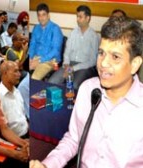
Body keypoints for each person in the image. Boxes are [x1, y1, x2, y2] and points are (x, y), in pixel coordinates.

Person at [30, 16, 143, 168]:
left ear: (135, 64)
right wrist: (47, 165)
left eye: (115, 57)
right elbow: (74, 139)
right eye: (101, 53)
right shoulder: (88, 89)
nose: (103, 63)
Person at [48, 5, 99, 90]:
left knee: (74, 86)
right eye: (77, 16)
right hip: (69, 64)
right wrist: (67, 65)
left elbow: (92, 61)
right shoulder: (73, 33)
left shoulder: (94, 36)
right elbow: (67, 52)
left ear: (88, 18)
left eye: (80, 17)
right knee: (52, 81)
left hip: (84, 67)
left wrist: (73, 69)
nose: (77, 19)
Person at [0, 61, 28, 137]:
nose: (19, 74)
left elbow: (22, 115)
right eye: (15, 71)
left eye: (19, 71)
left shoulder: (17, 91)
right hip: (12, 140)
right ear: (5, 73)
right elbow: (0, 129)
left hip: (26, 132)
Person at [29, 3, 63, 80]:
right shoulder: (36, 28)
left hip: (50, 60)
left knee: (34, 78)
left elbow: (55, 51)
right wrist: (30, 58)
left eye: (43, 15)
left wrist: (39, 61)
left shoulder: (55, 29)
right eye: (39, 15)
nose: (41, 18)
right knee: (21, 68)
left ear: (48, 15)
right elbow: (32, 45)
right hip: (35, 57)